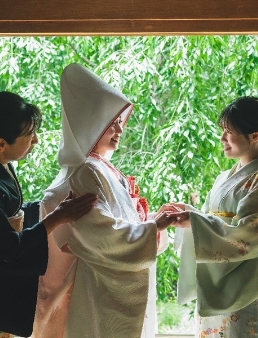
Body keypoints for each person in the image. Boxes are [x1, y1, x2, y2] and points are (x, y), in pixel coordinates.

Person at [32, 63, 180, 338]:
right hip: (96, 283)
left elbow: (116, 222)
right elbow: (98, 233)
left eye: (119, 124)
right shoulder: (86, 170)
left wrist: (150, 221)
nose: (119, 130)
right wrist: (152, 228)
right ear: (90, 126)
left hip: (105, 281)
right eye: (110, 125)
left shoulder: (100, 168)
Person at [0, 91, 98, 338]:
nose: (36, 140)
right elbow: (7, 248)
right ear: (0, 143)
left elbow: (9, 213)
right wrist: (55, 219)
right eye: (29, 135)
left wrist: (50, 207)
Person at [172, 96, 258, 337]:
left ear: (255, 135)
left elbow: (247, 238)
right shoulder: (223, 177)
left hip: (244, 287)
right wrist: (189, 214)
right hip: (216, 283)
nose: (222, 138)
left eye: (229, 132)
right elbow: (212, 220)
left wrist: (195, 222)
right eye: (222, 131)